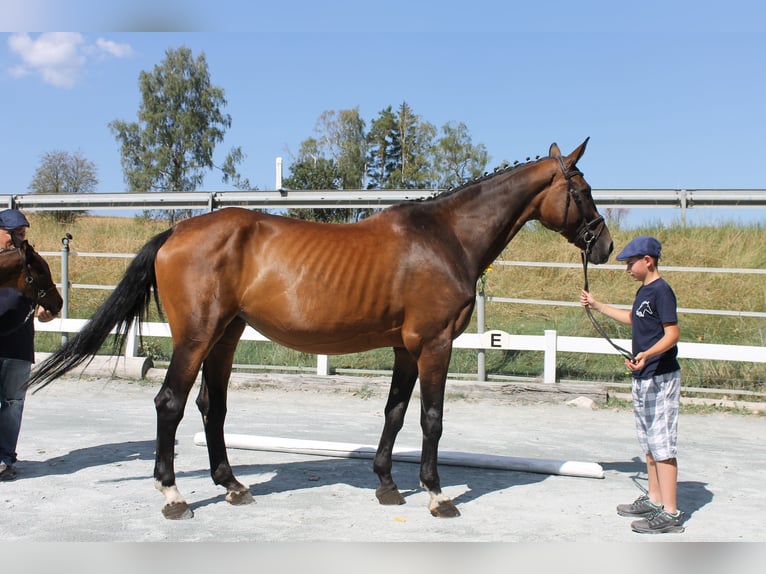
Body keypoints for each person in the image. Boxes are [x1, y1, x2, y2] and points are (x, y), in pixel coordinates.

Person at [580, 235, 684, 534]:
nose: (627, 269)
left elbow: (672, 333)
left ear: (647, 261)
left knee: (663, 444)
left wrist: (647, 354)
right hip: (644, 375)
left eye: (630, 264)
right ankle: (654, 500)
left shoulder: (662, 292)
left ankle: (672, 513)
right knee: (649, 443)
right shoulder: (643, 292)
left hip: (660, 376)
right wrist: (597, 305)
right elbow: (633, 320)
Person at [0, 209, 56, 481]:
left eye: (22, 234)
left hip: (19, 345)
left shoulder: (31, 262)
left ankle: (5, 459)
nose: (20, 240)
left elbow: (50, 295)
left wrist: (49, 312)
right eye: (14, 234)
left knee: (13, 403)